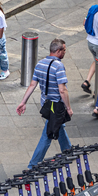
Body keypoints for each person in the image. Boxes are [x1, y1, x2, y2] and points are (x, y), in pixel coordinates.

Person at [17, 39, 72, 169]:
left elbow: (32, 85)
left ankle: (68, 150)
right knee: (48, 134)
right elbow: (62, 90)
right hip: (56, 106)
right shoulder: (58, 66)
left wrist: (23, 102)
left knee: (59, 126)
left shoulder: (40, 64)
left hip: (46, 104)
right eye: (64, 50)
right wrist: (68, 108)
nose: (65, 52)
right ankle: (33, 165)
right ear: (58, 51)